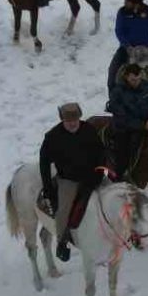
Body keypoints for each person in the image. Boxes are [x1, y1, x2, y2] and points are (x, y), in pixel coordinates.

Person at [38, 101, 107, 262]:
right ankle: (62, 241)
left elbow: (101, 153)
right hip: (69, 180)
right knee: (63, 209)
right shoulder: (52, 137)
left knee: (114, 194)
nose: (72, 124)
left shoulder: (89, 130)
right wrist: (47, 186)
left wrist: (99, 173)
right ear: (62, 120)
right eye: (68, 121)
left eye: (75, 120)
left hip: (93, 176)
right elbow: (44, 163)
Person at [107, 62, 148, 180]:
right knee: (123, 152)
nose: (136, 82)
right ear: (126, 77)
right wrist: (142, 125)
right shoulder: (118, 92)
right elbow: (121, 117)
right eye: (133, 80)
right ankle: (120, 176)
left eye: (138, 79)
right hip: (125, 129)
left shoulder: (146, 86)